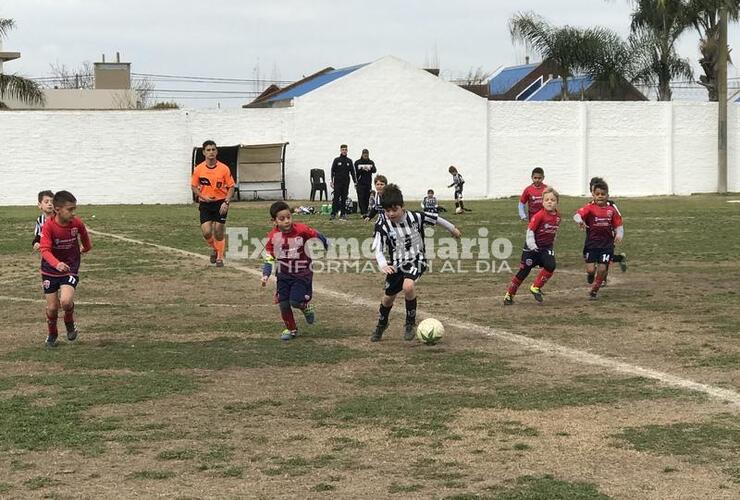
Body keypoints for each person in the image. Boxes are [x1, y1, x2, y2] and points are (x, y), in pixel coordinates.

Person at [370, 184, 461, 342]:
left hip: (417, 259)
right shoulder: (382, 226)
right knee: (387, 299)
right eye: (387, 211)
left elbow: (436, 218)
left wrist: (452, 229)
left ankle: (410, 323)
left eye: (394, 209)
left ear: (402, 206)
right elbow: (378, 248)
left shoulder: (416, 217)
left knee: (408, 286)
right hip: (396, 264)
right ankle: (382, 324)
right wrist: (383, 264)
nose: (391, 214)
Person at [261, 201, 329, 341]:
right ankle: (291, 329)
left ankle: (305, 307)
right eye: (282, 219)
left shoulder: (301, 230)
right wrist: (265, 274)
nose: (286, 221)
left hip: (302, 273)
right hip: (283, 275)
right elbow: (269, 257)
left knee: (295, 302)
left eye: (288, 217)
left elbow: (315, 234)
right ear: (274, 221)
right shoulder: (273, 237)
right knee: (284, 303)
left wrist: (326, 243)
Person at [39, 191, 92, 347]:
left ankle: (69, 321)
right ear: (57, 209)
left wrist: (86, 247)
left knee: (66, 301)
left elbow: (84, 234)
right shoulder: (48, 226)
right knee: (52, 308)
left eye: (74, 209)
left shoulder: (76, 223)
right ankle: (52, 333)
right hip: (50, 270)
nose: (73, 213)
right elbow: (45, 250)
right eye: (70, 209)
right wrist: (57, 264)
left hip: (70, 267)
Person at [504, 187, 561, 305]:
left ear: (557, 202)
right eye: (547, 200)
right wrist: (532, 245)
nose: (550, 202)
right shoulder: (539, 215)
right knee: (524, 271)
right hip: (532, 248)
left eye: (553, 200)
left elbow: (554, 230)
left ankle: (535, 287)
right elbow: (530, 231)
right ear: (542, 202)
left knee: (551, 265)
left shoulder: (558, 216)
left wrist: (553, 240)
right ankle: (509, 294)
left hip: (546, 248)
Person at [574, 179, 624, 299]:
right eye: (597, 194)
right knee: (591, 270)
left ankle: (595, 290)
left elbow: (619, 224)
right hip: (591, 244)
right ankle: (591, 275)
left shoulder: (611, 210)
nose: (600, 196)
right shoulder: (589, 207)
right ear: (593, 195)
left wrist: (619, 234)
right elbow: (577, 215)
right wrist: (580, 220)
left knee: (602, 268)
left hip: (606, 244)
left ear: (607, 195)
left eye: (603, 194)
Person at [191, 140, 235, 267]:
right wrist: (202, 196)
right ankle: (216, 250)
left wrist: (226, 202)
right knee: (206, 232)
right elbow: (193, 186)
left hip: (221, 203)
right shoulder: (198, 169)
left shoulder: (224, 168)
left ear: (217, 152)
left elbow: (231, 187)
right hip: (205, 203)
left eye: (213, 149)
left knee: (218, 231)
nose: (211, 152)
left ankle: (220, 257)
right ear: (204, 152)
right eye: (208, 150)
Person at [588, 176, 628, 276]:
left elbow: (618, 218)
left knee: (605, 258)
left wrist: (618, 232)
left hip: (608, 234)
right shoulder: (589, 205)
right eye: (594, 190)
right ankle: (620, 258)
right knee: (596, 256)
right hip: (593, 235)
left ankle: (603, 278)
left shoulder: (610, 204)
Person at [330, 144, 356, 220]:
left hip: (346, 182)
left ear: (347, 151)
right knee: (336, 198)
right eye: (343, 149)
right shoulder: (336, 160)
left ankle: (343, 213)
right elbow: (332, 171)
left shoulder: (349, 161)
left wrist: (355, 182)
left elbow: (352, 172)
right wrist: (332, 181)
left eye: (345, 149)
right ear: (340, 150)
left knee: (344, 198)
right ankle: (333, 213)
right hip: (337, 182)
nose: (344, 151)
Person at [354, 148, 376, 216]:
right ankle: (363, 212)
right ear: (362, 154)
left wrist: (369, 168)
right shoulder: (357, 162)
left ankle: (366, 211)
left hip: (368, 183)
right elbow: (355, 172)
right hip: (360, 183)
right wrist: (362, 169)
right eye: (364, 154)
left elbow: (374, 170)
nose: (365, 155)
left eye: (367, 154)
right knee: (361, 197)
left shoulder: (371, 162)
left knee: (367, 197)